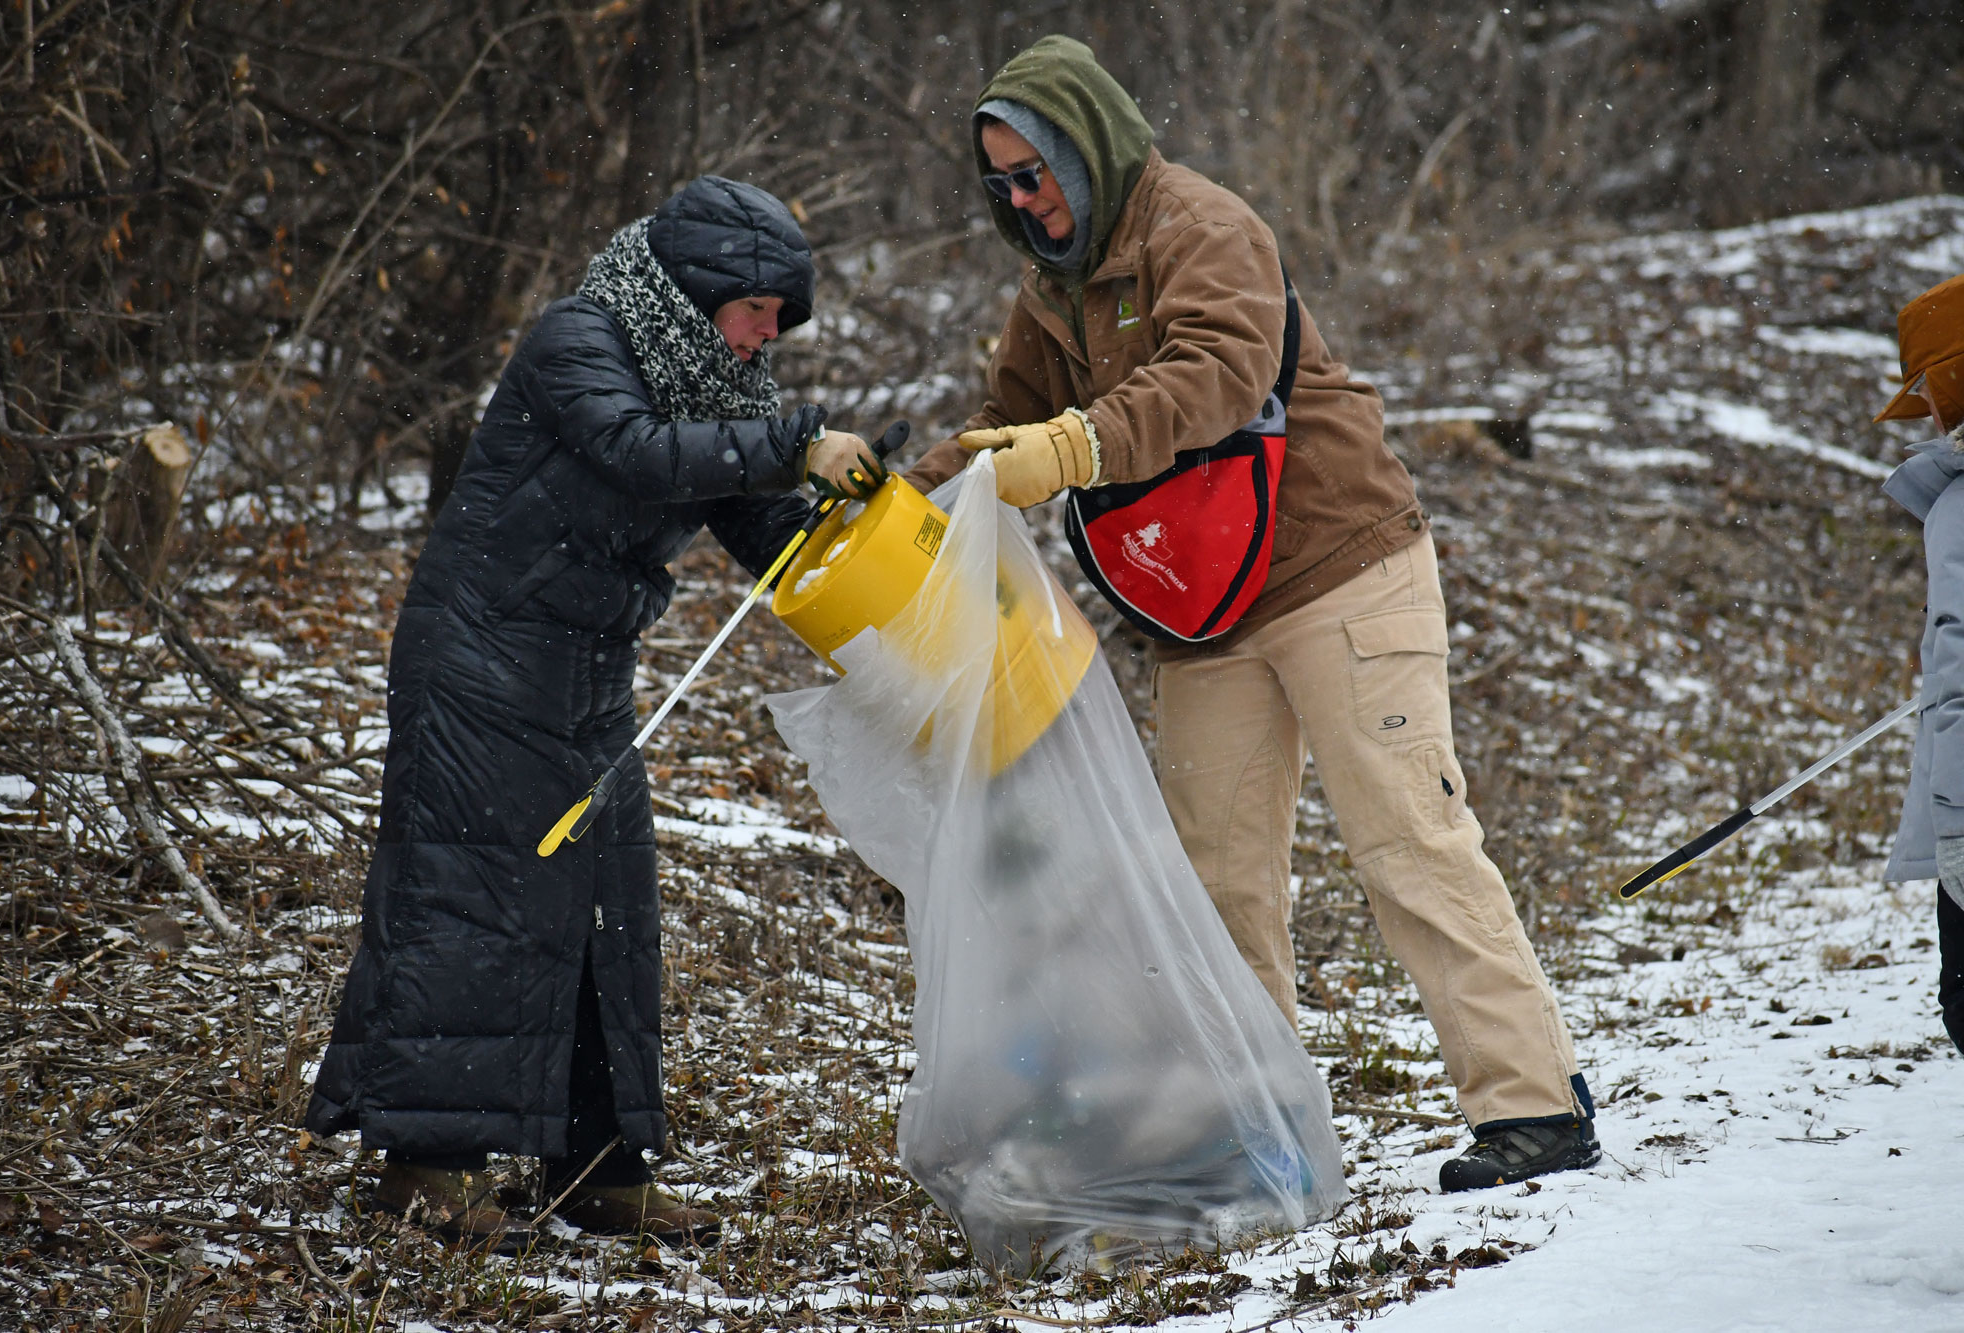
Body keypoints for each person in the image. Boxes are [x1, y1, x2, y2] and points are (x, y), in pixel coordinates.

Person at [902, 36, 1598, 1191]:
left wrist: (1075, 445)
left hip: (1339, 566)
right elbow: (998, 426)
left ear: (1090, 149)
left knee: (1404, 841)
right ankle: (1254, 1127)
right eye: (1003, 184)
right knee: (1214, 878)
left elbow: (1220, 368)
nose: (1025, 201)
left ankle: (1530, 1105)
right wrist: (894, 492)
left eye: (1038, 173)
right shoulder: (1047, 290)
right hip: (1203, 605)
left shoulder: (1201, 226)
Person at [304, 175, 884, 1243]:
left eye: (778, 322)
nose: (767, 336)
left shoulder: (722, 385)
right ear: (705, 285)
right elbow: (634, 449)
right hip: (481, 652)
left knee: (610, 911)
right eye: (758, 311)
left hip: (583, 674)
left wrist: (869, 538)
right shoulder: (580, 339)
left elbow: (764, 526)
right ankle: (425, 1171)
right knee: (475, 901)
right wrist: (792, 440)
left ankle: (601, 1169)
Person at [1876, 273, 1964, 1057]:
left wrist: (1959, 829)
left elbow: (1961, 678)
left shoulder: (1959, 512)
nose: (1926, 416)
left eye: (1927, 394)